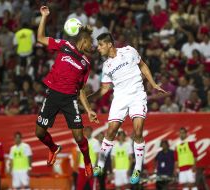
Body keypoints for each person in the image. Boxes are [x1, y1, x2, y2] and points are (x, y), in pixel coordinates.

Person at [88, 33, 166, 184]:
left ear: (109, 44)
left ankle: (137, 167)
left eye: (100, 45)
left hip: (137, 95)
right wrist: (86, 99)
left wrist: (154, 83)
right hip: (120, 98)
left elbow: (142, 65)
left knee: (137, 132)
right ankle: (101, 165)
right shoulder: (106, 66)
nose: (98, 48)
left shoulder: (129, 51)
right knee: (110, 131)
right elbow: (104, 90)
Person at [35, 6, 99, 177]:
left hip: (70, 99)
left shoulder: (86, 63)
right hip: (53, 95)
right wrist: (44, 17)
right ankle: (53, 148)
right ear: (84, 40)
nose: (91, 46)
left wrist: (89, 110)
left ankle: (87, 160)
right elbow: (40, 38)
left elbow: (81, 90)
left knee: (79, 138)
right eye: (90, 42)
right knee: (39, 133)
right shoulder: (65, 45)